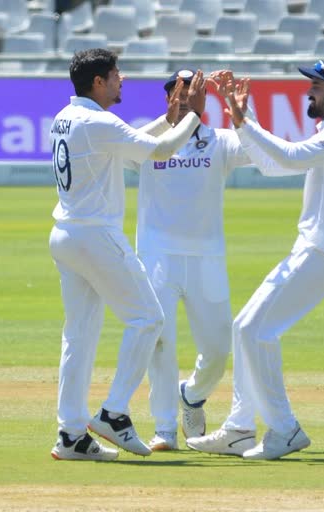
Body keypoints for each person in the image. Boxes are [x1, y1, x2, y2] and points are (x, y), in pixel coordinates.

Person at [186, 61, 324, 460]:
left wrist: (243, 120)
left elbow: (286, 157)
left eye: (317, 86)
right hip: (316, 248)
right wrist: (242, 116)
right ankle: (238, 428)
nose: (310, 92)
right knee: (244, 328)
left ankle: (284, 429)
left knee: (254, 331)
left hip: (322, 250)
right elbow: (272, 165)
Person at [47, 48, 206, 461]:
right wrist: (193, 115)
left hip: (66, 234)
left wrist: (171, 119)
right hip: (96, 236)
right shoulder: (98, 122)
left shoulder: (68, 116)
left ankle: (70, 435)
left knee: (78, 336)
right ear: (98, 82)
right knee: (149, 318)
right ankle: (114, 412)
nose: (123, 81)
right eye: (116, 75)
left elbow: (126, 142)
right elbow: (160, 150)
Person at [132, 69, 251, 451]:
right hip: (157, 255)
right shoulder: (149, 140)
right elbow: (120, 150)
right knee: (161, 342)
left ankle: (192, 396)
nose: (182, 99)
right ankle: (165, 428)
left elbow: (258, 150)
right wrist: (171, 120)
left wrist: (241, 116)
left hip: (206, 257)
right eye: (176, 93)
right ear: (167, 98)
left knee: (218, 350)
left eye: (191, 93)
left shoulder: (219, 142)